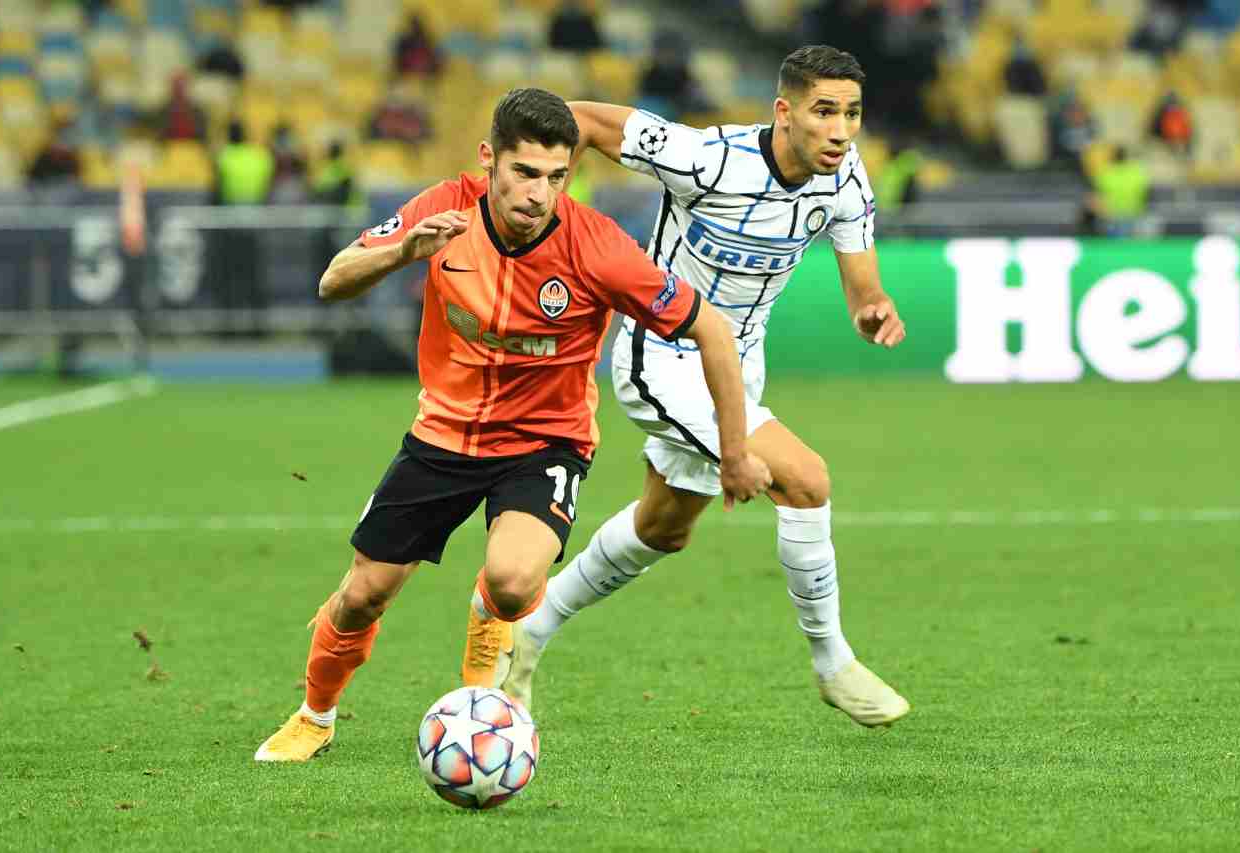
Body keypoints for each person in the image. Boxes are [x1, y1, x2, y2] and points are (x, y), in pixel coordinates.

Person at [254, 88, 772, 762]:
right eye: (524, 173)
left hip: (544, 441)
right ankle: (314, 716)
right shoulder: (443, 207)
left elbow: (711, 329)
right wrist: (403, 249)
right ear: (489, 160)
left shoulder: (596, 247)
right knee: (362, 594)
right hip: (443, 435)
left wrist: (733, 450)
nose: (539, 194)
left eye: (557, 177)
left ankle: (486, 644)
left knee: (512, 580)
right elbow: (333, 279)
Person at [464, 46, 912, 728]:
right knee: (806, 480)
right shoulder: (705, 157)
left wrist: (872, 307)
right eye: (824, 111)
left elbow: (863, 285)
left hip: (741, 363)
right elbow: (578, 118)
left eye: (851, 113)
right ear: (784, 112)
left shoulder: (846, 178)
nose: (841, 129)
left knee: (663, 527)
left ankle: (528, 633)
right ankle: (833, 662)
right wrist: (556, 225)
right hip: (663, 355)